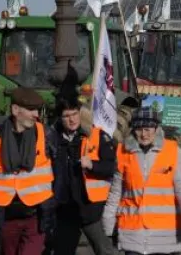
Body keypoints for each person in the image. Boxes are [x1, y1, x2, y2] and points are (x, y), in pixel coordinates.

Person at [102, 107, 181, 255]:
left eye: (148, 129)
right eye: (139, 129)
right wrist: (108, 223)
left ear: (156, 128)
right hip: (132, 234)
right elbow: (116, 192)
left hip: (165, 236)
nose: (144, 134)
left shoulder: (172, 151)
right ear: (133, 130)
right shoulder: (123, 152)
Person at [0, 87, 55, 255]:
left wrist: (51, 206)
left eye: (37, 109)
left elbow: (59, 171)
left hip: (36, 217)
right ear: (15, 110)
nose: (36, 114)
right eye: (30, 109)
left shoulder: (46, 135)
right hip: (6, 219)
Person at [50, 97, 116, 255]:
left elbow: (112, 167)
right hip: (65, 208)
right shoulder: (52, 139)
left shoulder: (97, 136)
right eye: (66, 116)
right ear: (60, 118)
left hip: (90, 209)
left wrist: (93, 165)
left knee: (104, 250)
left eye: (74, 114)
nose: (71, 119)